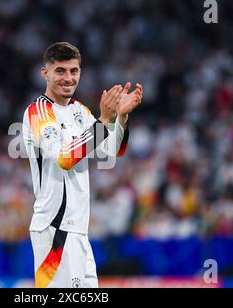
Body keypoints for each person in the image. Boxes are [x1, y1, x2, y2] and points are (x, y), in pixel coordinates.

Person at [22, 42, 143, 288]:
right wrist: (104, 120)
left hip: (78, 230)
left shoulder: (80, 111)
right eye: (60, 71)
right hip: (55, 229)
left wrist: (121, 117)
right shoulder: (38, 112)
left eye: (74, 71)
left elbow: (113, 150)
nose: (68, 78)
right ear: (45, 73)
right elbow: (65, 158)